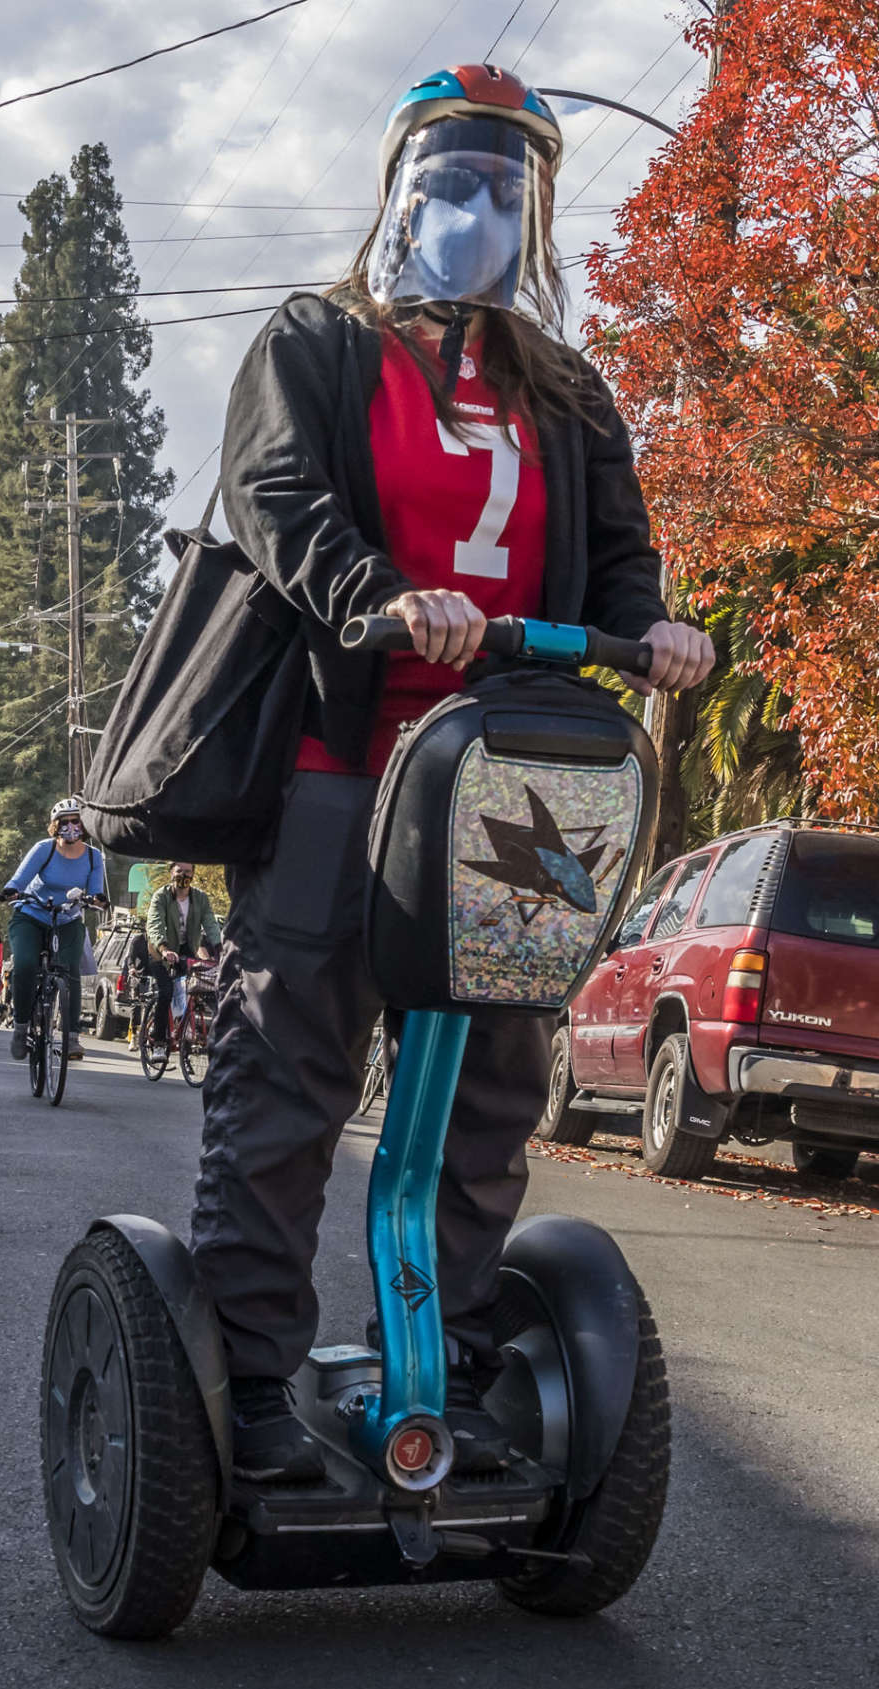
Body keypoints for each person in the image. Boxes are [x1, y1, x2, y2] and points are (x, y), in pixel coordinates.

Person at [186, 64, 713, 1483]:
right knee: (291, 1077)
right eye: (454, 178)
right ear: (400, 191)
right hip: (338, 766)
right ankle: (242, 1379)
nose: (477, 206)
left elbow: (620, 555)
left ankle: (468, 1361)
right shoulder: (318, 343)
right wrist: (380, 593)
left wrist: (652, 627)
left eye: (506, 186)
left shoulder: (564, 389)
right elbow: (276, 496)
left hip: (507, 783)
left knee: (492, 1081)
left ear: (533, 211)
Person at [2, 799, 105, 1062]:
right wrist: (11, 890)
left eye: (76, 821)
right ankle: (21, 1026)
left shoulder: (94, 856)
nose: (71, 827)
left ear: (83, 825)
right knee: (24, 965)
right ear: (55, 826)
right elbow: (19, 879)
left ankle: (71, 1038)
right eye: (65, 822)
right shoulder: (44, 849)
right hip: (32, 915)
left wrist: (96, 899)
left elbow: (95, 891)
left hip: (68, 919)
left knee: (70, 971)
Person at [142, 863, 223, 1049]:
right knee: (166, 992)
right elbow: (154, 925)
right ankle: (159, 1042)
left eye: (188, 872)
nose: (183, 875)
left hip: (187, 951)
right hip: (160, 952)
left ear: (193, 874)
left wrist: (219, 948)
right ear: (171, 872)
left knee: (199, 989)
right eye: (179, 871)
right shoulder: (161, 896)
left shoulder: (200, 898)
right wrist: (163, 949)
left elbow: (210, 923)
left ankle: (187, 1031)